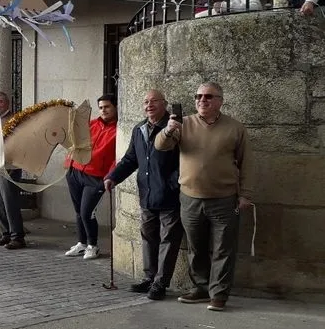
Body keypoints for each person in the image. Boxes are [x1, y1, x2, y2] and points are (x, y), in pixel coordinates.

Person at [155, 82, 254, 311]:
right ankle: (200, 287)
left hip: (225, 199)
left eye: (209, 96)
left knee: (224, 249)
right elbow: (160, 146)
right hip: (190, 198)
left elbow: (247, 163)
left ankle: (218, 295)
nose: (202, 100)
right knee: (196, 248)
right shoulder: (184, 123)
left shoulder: (235, 128)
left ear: (220, 100)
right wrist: (169, 129)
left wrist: (245, 195)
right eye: (198, 96)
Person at [104, 90, 181, 300]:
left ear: (164, 104)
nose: (149, 105)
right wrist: (113, 177)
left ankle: (160, 283)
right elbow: (130, 159)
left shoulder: (173, 127)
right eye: (146, 102)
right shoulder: (139, 129)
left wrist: (174, 183)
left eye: (154, 101)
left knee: (168, 240)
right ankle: (149, 278)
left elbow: (185, 159)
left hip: (169, 195)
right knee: (148, 237)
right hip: (147, 194)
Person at [64, 94, 118, 260]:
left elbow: (119, 156)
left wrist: (112, 175)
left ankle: (92, 246)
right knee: (78, 211)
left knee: (87, 212)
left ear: (115, 107)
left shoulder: (119, 129)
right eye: (101, 107)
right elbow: (75, 140)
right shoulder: (91, 124)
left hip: (96, 177)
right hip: (75, 171)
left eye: (107, 106)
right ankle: (81, 243)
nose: (103, 110)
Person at [0, 92, 27, 249]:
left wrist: (4, 159)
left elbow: (19, 144)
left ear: (8, 103)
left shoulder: (14, 120)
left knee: (10, 202)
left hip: (10, 168)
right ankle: (6, 234)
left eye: (1, 102)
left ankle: (17, 236)